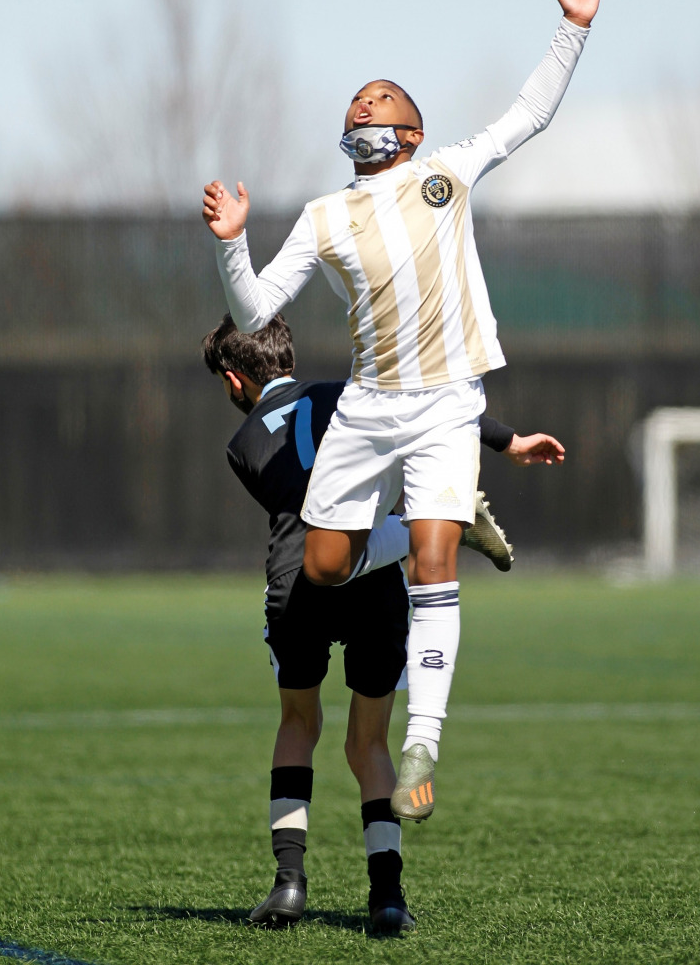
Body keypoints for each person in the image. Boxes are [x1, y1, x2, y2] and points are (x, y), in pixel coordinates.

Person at [202, 0, 608, 822]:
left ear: (414, 133)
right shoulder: (324, 215)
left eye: (382, 99)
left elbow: (530, 113)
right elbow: (256, 307)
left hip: (447, 402)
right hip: (368, 406)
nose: (365, 104)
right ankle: (456, 527)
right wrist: (233, 240)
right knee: (324, 565)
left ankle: (424, 737)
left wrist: (573, 27)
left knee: (428, 564)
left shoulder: (446, 174)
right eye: (357, 100)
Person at [202, 313, 565, 932]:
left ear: (235, 381)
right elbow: (432, 412)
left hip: (298, 581)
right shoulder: (349, 393)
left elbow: (298, 503)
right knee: (367, 744)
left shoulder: (242, 446)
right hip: (375, 581)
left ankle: (289, 885)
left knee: (299, 724)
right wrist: (508, 441)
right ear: (288, 357)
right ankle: (387, 898)